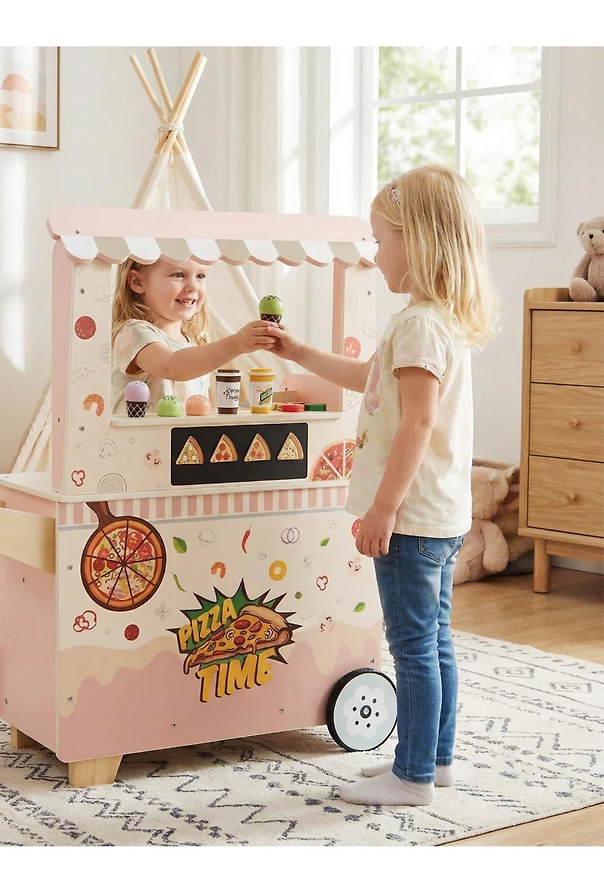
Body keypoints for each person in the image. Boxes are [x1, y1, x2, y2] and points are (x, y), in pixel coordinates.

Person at [266, 165, 499, 806]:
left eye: (380, 239)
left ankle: (412, 775)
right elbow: (368, 377)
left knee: (413, 646)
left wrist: (383, 510)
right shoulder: (431, 323)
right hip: (439, 515)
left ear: (417, 242)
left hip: (412, 517)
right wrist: (298, 353)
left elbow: (417, 423)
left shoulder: (421, 326)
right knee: (435, 639)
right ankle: (436, 759)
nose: (375, 253)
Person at [111, 256, 274, 413]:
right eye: (178, 275)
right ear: (137, 282)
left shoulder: (194, 344)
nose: (193, 286)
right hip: (138, 440)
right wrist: (236, 344)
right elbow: (172, 366)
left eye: (200, 276)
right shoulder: (133, 333)